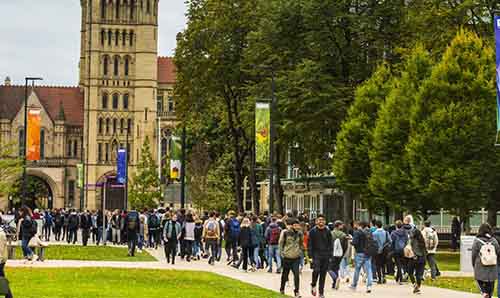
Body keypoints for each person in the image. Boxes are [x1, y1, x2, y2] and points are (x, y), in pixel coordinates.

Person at [472, 223, 500, 298]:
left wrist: (473, 264)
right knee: (491, 283)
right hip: (492, 266)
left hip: (480, 265)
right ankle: (489, 295)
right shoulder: (493, 240)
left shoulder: (477, 241)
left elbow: (474, 254)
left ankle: (484, 292)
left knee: (479, 280)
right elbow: (498, 252)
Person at [308, 214, 333, 298]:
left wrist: (330, 255)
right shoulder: (312, 231)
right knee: (316, 270)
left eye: (322, 220)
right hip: (316, 254)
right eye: (319, 220)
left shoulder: (328, 231)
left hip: (325, 254)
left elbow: (330, 244)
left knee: (323, 274)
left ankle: (321, 292)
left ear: (325, 222)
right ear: (316, 221)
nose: (321, 221)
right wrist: (310, 256)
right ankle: (313, 284)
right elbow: (310, 244)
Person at [279, 218, 304, 298]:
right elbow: (281, 243)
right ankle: (282, 289)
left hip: (296, 257)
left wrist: (300, 252)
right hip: (287, 256)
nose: (296, 226)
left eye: (297, 225)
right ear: (292, 226)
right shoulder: (285, 233)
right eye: (295, 225)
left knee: (296, 275)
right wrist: (282, 253)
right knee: (285, 274)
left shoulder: (300, 234)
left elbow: (301, 243)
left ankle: (296, 291)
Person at [349, 221, 373, 293]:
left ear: (359, 225)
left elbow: (355, 242)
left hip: (359, 253)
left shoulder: (357, 232)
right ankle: (369, 286)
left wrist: (351, 241)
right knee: (368, 270)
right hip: (368, 253)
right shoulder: (368, 232)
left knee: (357, 270)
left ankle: (354, 285)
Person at [329, 220, 348, 290]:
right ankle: (334, 284)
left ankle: (335, 278)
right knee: (336, 268)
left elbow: (327, 244)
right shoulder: (343, 235)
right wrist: (343, 253)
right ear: (338, 226)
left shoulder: (330, 234)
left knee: (329, 268)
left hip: (331, 253)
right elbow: (345, 246)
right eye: (341, 225)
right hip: (340, 254)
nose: (342, 226)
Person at [407, 226, 427, 294]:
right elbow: (425, 251)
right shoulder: (422, 240)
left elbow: (409, 248)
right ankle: (418, 287)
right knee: (418, 274)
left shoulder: (412, 240)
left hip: (413, 258)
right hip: (422, 259)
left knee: (410, 272)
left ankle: (414, 285)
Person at [391, 220, 408, 284]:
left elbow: (391, 242)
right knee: (401, 264)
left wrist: (391, 250)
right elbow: (406, 240)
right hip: (403, 250)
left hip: (396, 250)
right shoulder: (405, 232)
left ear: (396, 226)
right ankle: (398, 278)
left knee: (398, 265)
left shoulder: (393, 233)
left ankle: (400, 279)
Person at [0, 218, 13, 298]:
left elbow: (0, 250)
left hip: (0, 261)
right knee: (2, 280)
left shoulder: (0, 234)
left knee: (2, 281)